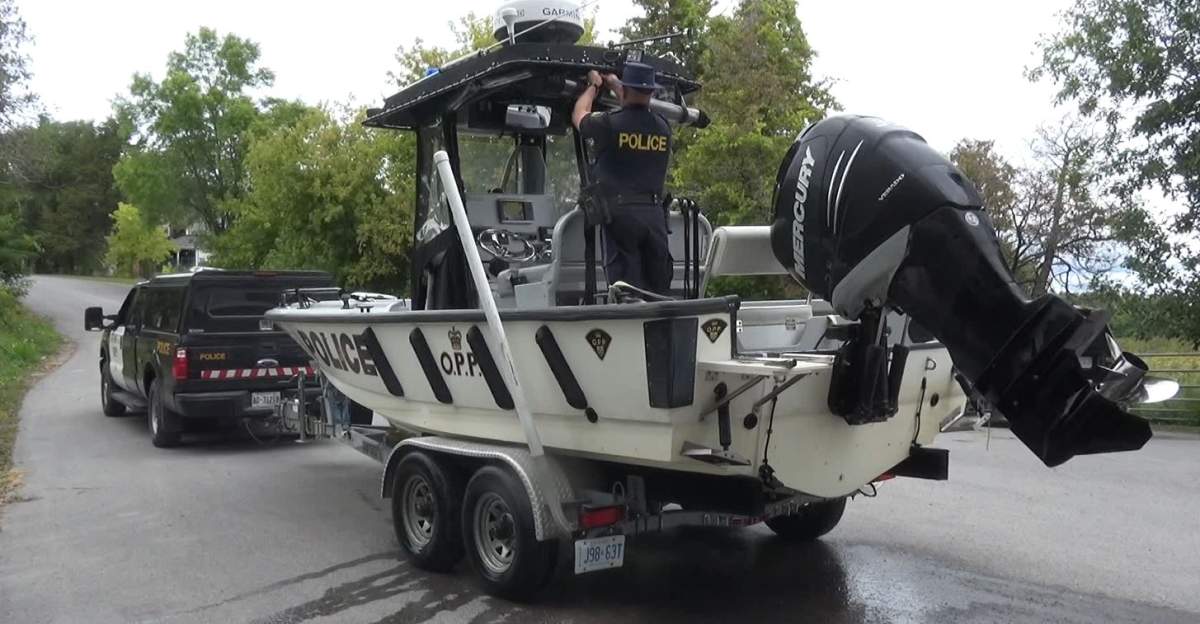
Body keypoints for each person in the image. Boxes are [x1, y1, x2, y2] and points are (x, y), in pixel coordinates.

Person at [572, 62, 673, 296]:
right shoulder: (663, 127)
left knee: (626, 291)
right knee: (658, 289)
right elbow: (636, 102)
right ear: (651, 92)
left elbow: (579, 116)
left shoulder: (608, 124)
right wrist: (618, 84)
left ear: (625, 90)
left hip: (621, 218)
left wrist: (593, 86)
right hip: (654, 218)